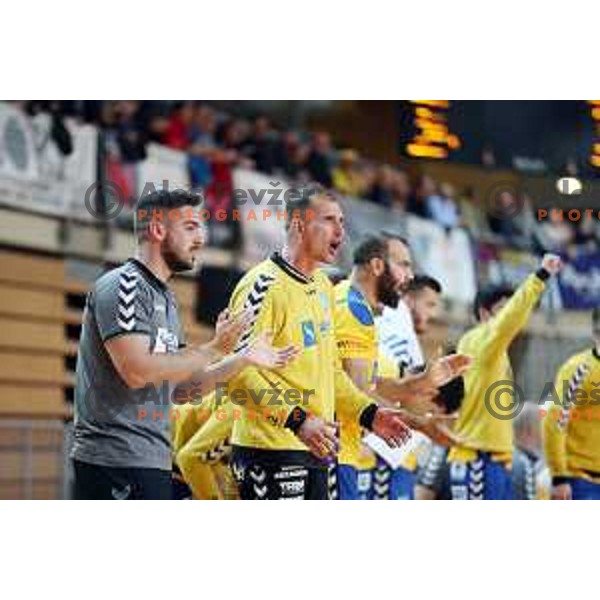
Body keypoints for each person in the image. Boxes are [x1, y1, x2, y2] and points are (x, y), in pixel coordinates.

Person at [70, 189, 296, 500]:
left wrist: (241, 357)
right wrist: (214, 348)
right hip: (114, 462)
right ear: (158, 230)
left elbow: (184, 389)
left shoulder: (165, 298)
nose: (200, 239)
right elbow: (136, 371)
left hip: (152, 460)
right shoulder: (123, 285)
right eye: (190, 227)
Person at [225, 186, 416, 500]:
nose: (341, 230)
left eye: (341, 221)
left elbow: (332, 373)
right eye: (329, 220)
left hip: (319, 450)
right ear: (299, 225)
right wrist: (297, 420)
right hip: (270, 451)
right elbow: (235, 376)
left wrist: (369, 414)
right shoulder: (262, 285)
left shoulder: (324, 287)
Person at [333, 237, 470, 500]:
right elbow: (357, 394)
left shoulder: (363, 312)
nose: (409, 276)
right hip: (335, 454)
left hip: (345, 454)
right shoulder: (351, 308)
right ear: (376, 266)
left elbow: (373, 385)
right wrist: (421, 424)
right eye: (403, 265)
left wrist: (425, 380)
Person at [448, 254, 563, 500]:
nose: (512, 318)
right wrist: (540, 277)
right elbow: (511, 318)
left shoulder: (495, 351)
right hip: (477, 457)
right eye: (503, 310)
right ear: (484, 313)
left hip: (496, 457)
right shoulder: (478, 341)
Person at [543, 307, 600, 500]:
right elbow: (554, 423)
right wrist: (559, 477)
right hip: (582, 482)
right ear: (595, 331)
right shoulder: (577, 369)